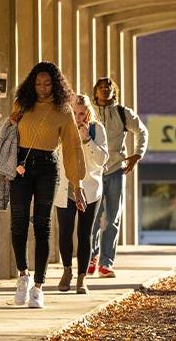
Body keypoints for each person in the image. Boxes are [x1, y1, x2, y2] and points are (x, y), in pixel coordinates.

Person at [9, 61, 86, 308]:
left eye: (48, 83)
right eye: (39, 83)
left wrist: (77, 185)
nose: (43, 87)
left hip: (47, 168)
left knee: (42, 225)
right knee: (18, 223)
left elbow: (72, 149)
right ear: (33, 83)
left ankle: (39, 288)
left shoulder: (63, 111)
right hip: (21, 166)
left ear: (56, 85)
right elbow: (10, 133)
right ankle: (23, 275)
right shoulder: (22, 104)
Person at [89, 77, 148, 278]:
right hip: (93, 172)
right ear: (95, 91)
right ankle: (91, 258)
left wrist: (138, 154)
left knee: (113, 218)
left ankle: (106, 264)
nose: (105, 90)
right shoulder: (89, 112)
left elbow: (142, 131)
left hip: (116, 170)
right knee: (93, 218)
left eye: (109, 88)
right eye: (101, 87)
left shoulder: (123, 113)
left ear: (114, 91)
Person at [54, 94, 108, 294]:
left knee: (85, 234)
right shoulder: (62, 128)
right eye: (74, 113)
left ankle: (81, 278)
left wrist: (87, 140)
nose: (78, 117)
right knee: (65, 232)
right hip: (65, 188)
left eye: (82, 114)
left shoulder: (97, 129)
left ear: (88, 113)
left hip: (90, 189)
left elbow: (102, 160)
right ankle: (67, 271)